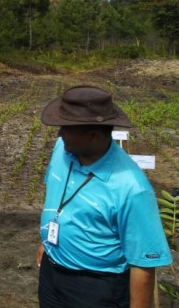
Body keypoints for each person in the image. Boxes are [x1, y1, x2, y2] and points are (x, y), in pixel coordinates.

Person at [36, 85, 172, 307]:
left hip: (95, 287)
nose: (59, 133)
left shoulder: (132, 188)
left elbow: (143, 266)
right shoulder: (63, 149)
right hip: (52, 274)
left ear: (92, 136)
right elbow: (55, 196)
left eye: (66, 128)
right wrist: (48, 242)